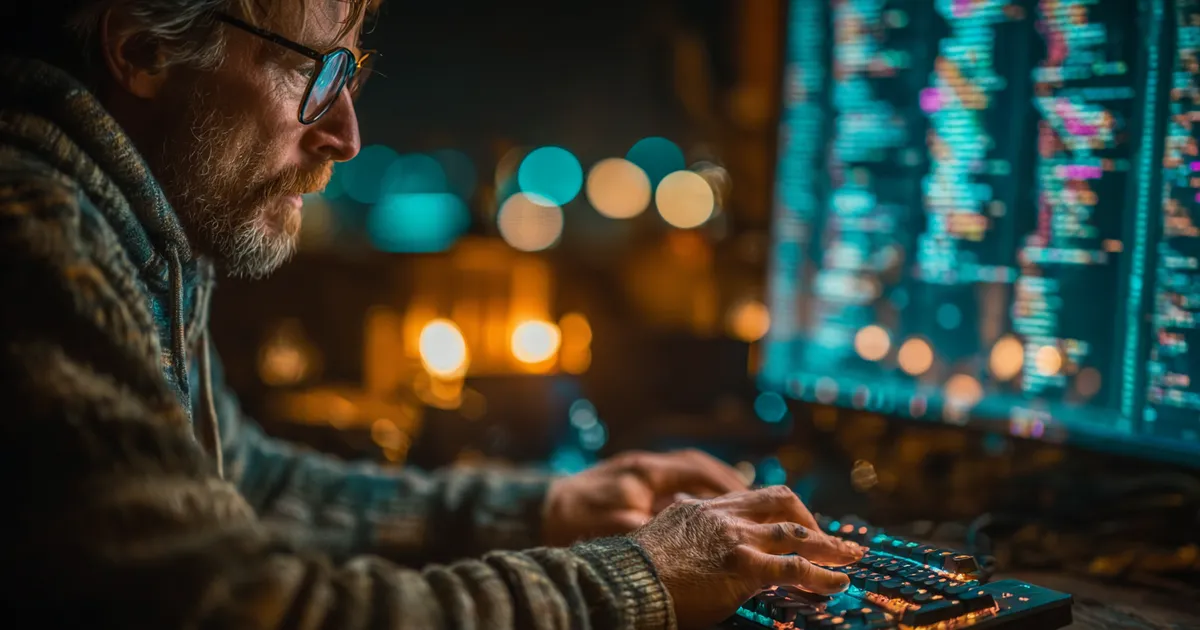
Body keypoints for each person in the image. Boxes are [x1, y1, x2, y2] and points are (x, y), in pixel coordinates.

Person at [0, 1, 864, 628]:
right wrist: (639, 575)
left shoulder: (139, 225)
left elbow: (247, 485)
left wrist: (548, 508)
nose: (345, 133)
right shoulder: (40, 236)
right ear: (145, 50)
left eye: (350, 74)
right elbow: (248, 608)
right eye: (313, 69)